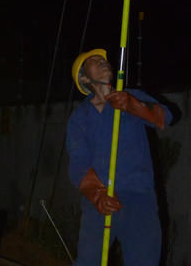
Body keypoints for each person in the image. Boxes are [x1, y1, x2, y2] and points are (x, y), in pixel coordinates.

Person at [66, 48, 172, 266]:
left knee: (145, 260)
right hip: (102, 202)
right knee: (90, 262)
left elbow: (164, 118)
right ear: (85, 78)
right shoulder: (80, 118)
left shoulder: (130, 96)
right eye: (95, 61)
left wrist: (134, 106)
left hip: (140, 198)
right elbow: (78, 163)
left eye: (104, 60)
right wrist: (97, 195)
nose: (103, 62)